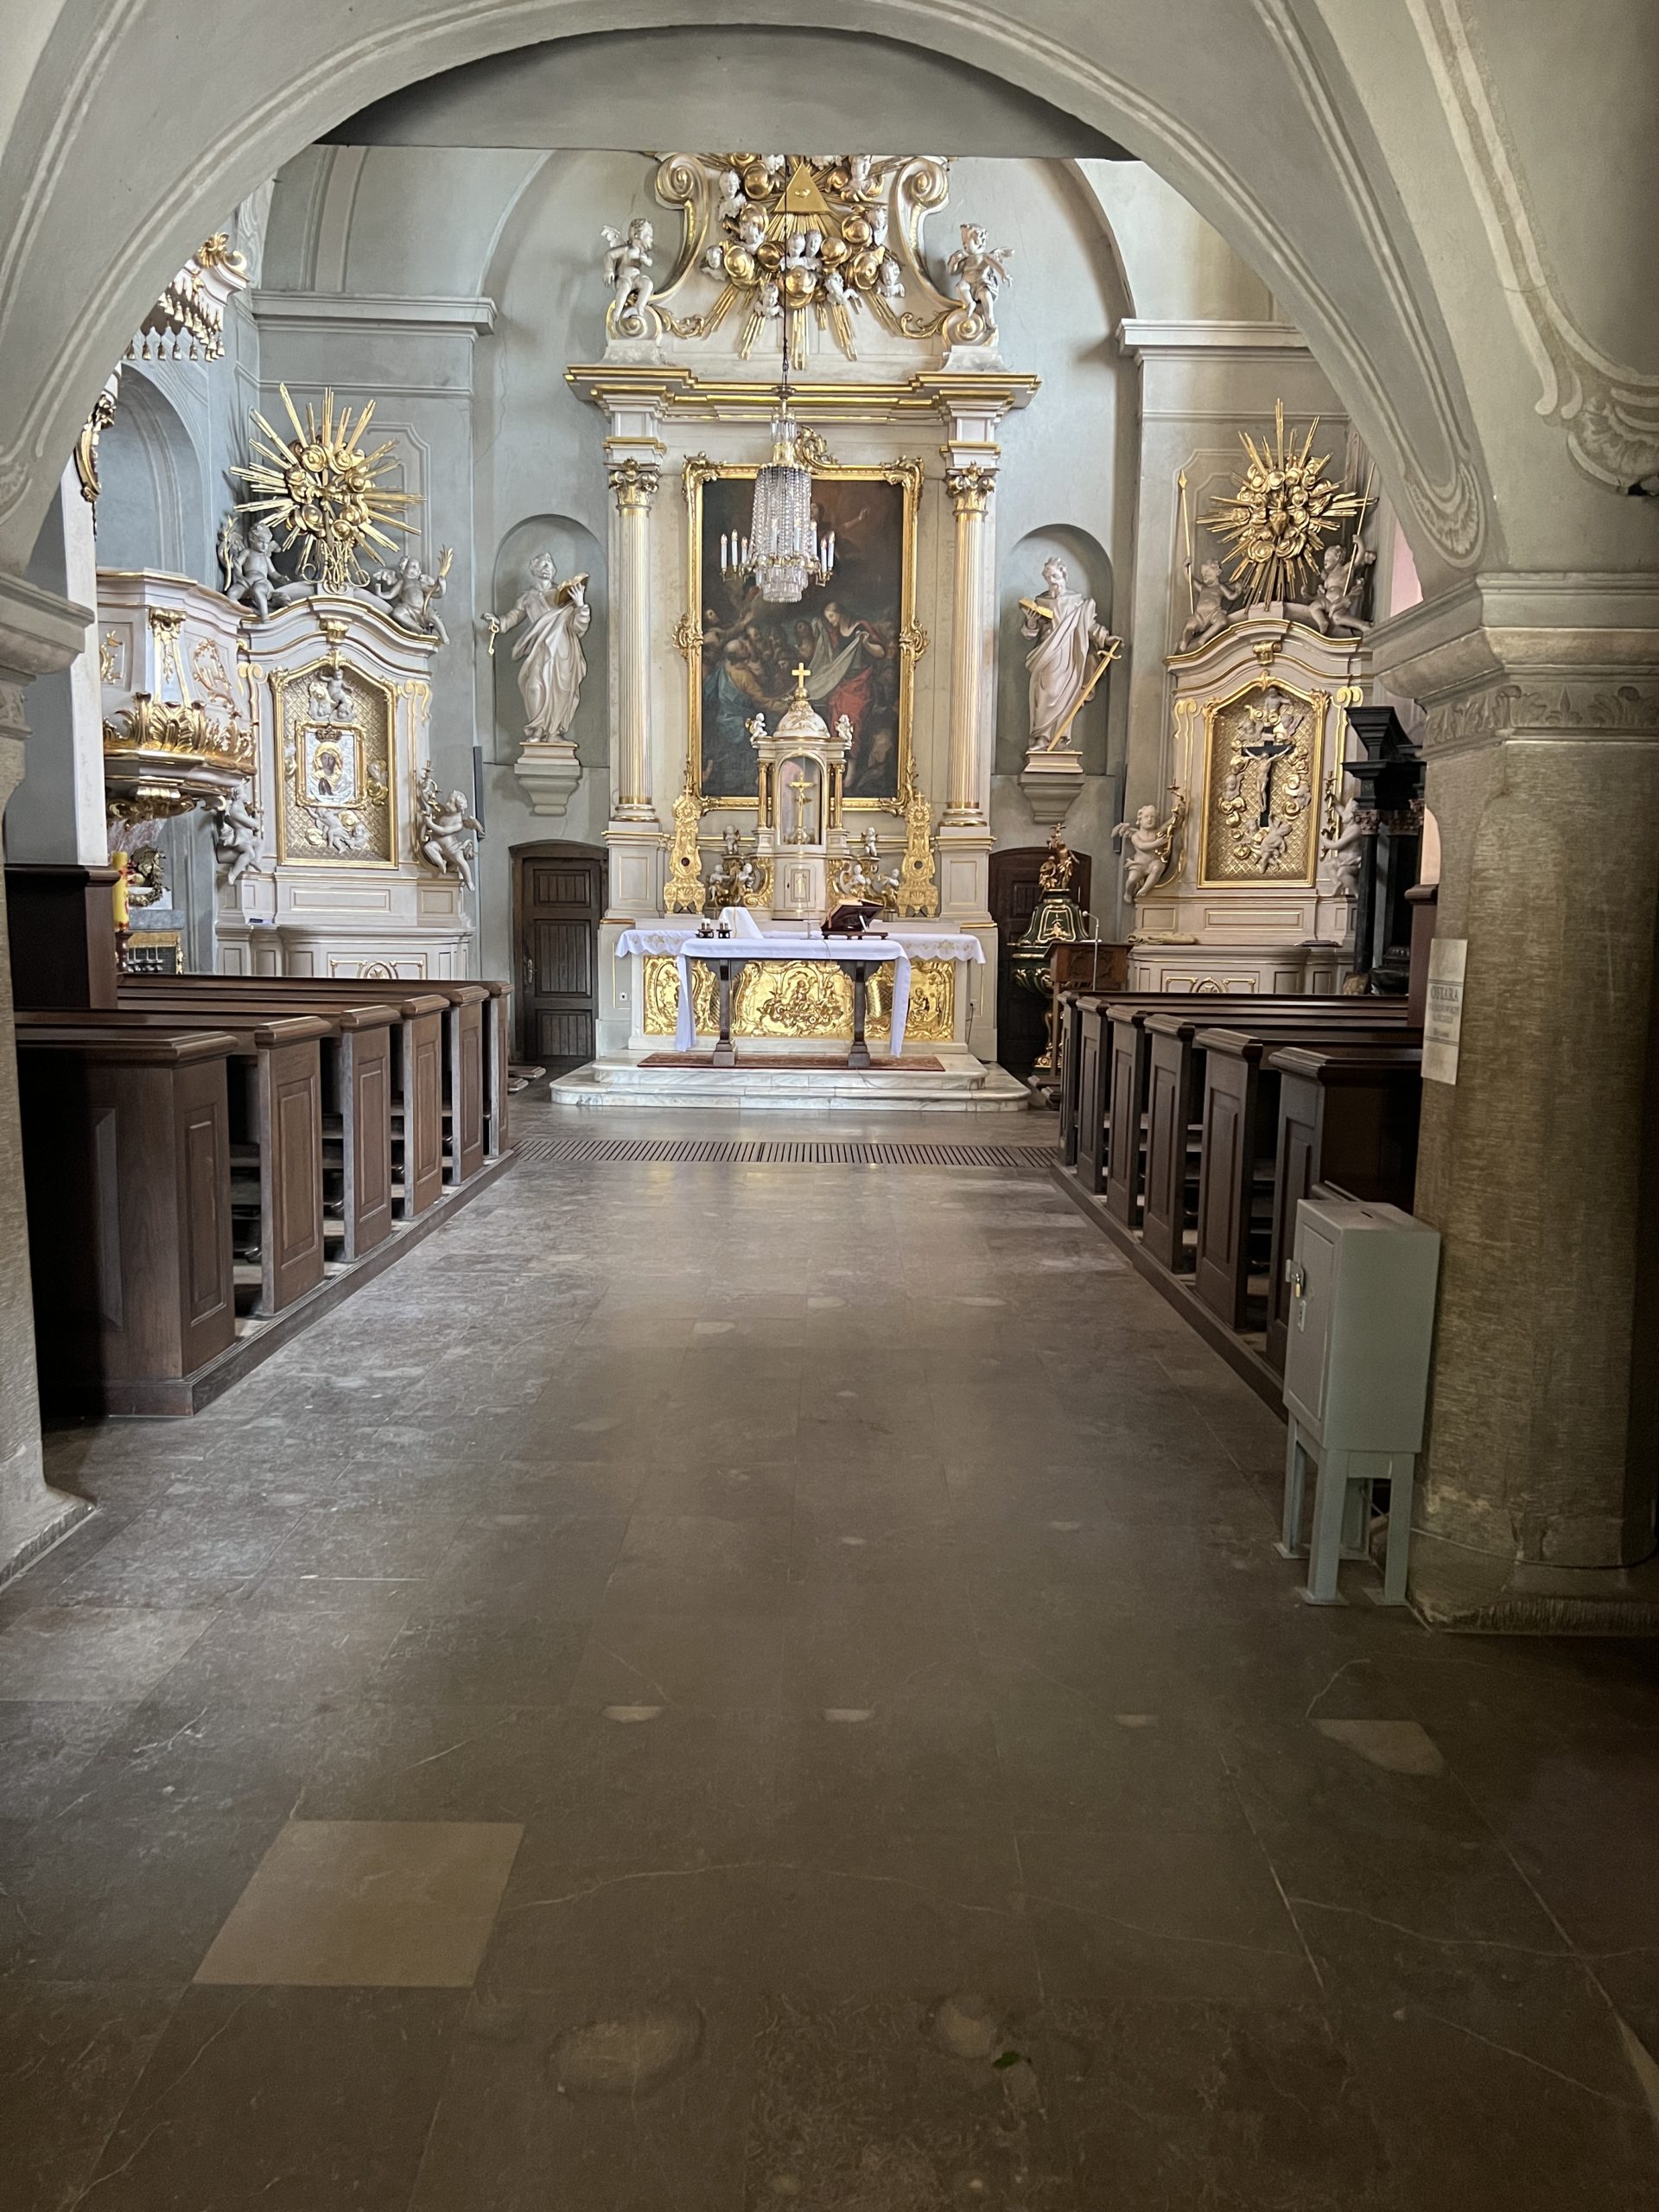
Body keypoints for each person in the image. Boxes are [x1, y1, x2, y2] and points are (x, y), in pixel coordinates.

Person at [484, 553, 589, 742]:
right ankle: (537, 729)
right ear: (533, 569)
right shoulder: (527, 598)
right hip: (540, 648)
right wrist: (498, 623)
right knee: (533, 686)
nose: (547, 567)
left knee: (559, 690)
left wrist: (580, 604)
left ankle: (554, 734)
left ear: (554, 570)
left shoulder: (563, 596)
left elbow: (577, 626)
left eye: (550, 564)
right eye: (543, 564)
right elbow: (513, 617)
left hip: (562, 649)